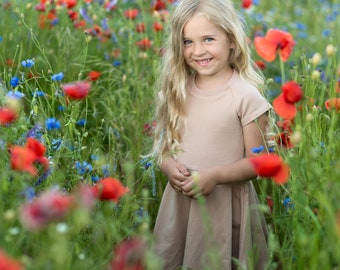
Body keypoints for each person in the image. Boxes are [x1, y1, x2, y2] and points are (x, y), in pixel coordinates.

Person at [152, 0, 272, 269]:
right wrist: (167, 164)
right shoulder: (178, 89)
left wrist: (214, 176)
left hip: (225, 205)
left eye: (208, 39)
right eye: (187, 42)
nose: (198, 51)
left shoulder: (245, 96)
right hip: (180, 204)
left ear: (231, 40)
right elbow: (163, 147)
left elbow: (258, 161)